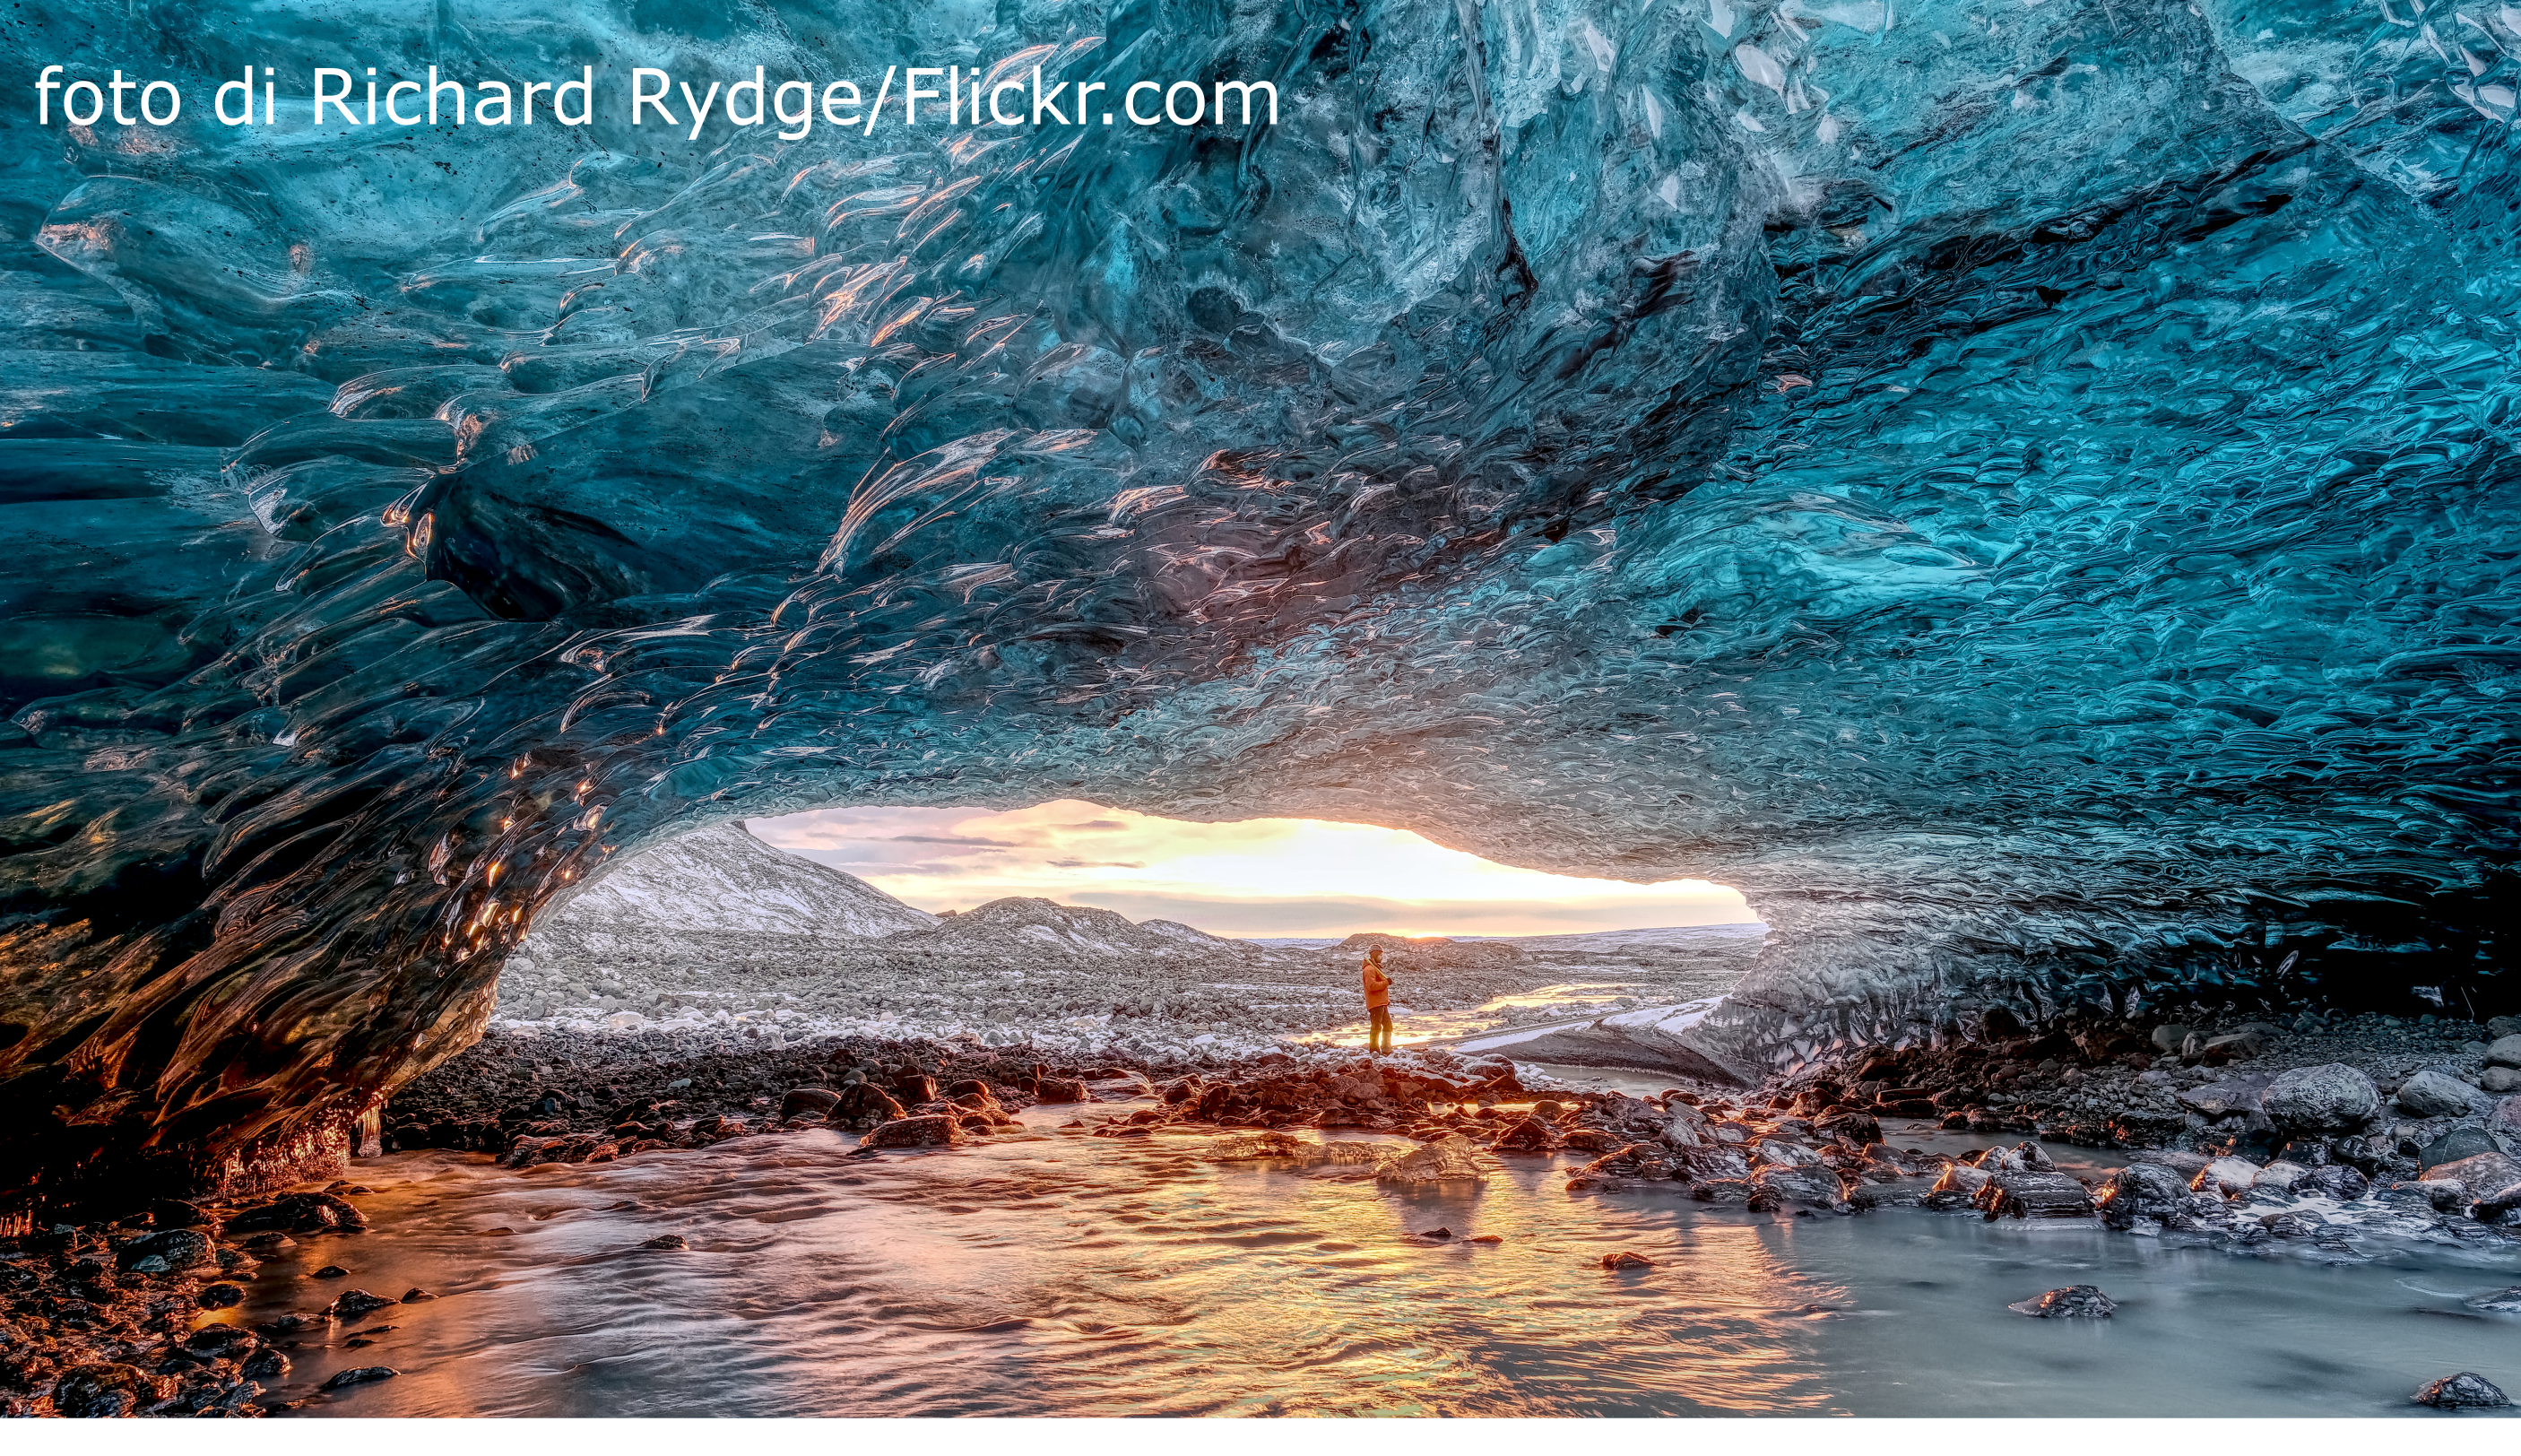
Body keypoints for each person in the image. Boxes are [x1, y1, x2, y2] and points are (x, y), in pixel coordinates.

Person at [1362, 944, 1393, 1054]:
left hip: (1382, 1002)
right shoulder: (1369, 969)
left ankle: (1386, 1048)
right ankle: (1374, 1049)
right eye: (1380, 955)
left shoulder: (1375, 968)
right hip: (1376, 1003)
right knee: (1376, 1027)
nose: (1382, 957)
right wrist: (1386, 982)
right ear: (1375, 955)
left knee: (1388, 1025)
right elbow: (1371, 986)